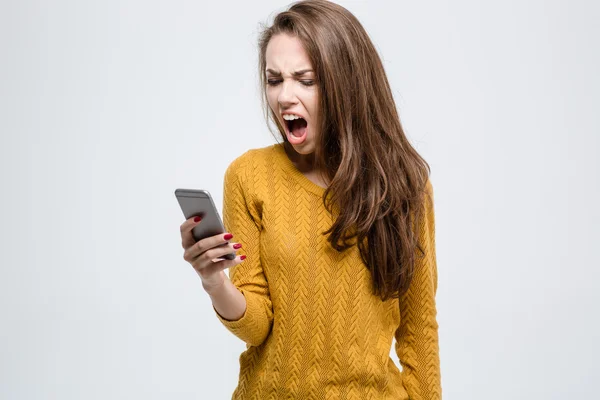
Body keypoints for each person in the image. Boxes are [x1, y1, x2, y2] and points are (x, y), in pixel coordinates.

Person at [179, 1, 441, 398]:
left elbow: (418, 331)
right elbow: (256, 326)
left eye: (305, 80)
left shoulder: (404, 184)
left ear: (346, 83)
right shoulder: (249, 176)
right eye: (274, 79)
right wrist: (213, 280)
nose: (284, 96)